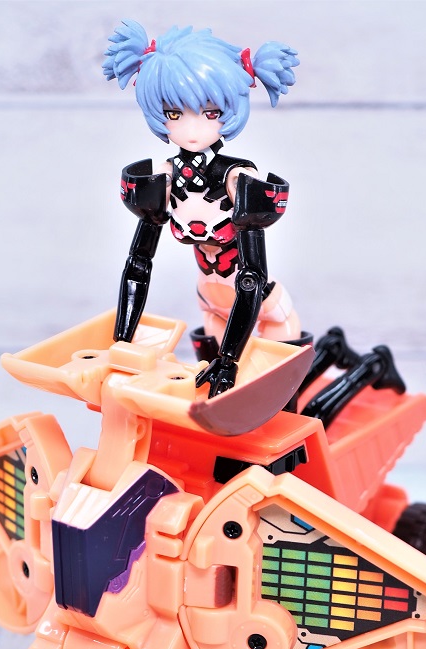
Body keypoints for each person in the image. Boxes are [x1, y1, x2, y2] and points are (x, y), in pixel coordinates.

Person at [104, 21, 303, 396]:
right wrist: (122, 340)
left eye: (210, 113)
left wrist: (229, 361)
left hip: (261, 301)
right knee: (211, 389)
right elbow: (138, 262)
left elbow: (252, 276)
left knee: (281, 376)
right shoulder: (165, 179)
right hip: (210, 300)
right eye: (174, 114)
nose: (192, 130)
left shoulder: (236, 178)